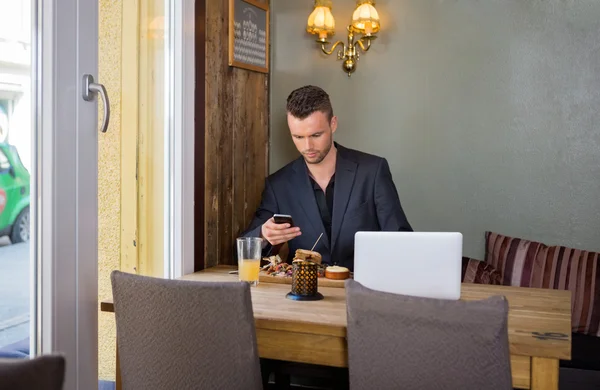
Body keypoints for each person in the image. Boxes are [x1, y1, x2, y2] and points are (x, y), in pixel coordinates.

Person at [241, 85, 412, 271]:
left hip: (365, 290)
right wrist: (264, 234)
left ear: (333, 124)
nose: (308, 146)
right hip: (304, 295)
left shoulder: (373, 171)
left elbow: (402, 241)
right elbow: (242, 252)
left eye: (316, 135)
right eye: (298, 136)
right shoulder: (278, 185)